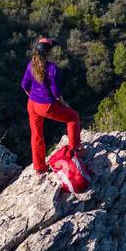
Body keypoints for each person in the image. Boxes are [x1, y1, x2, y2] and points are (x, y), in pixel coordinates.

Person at [22, 37, 82, 175]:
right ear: (48, 52)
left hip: (32, 104)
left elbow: (24, 85)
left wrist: (33, 97)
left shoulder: (31, 65)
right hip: (46, 106)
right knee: (73, 117)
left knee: (36, 135)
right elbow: (55, 93)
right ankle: (75, 150)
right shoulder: (52, 68)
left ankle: (40, 168)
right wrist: (64, 103)